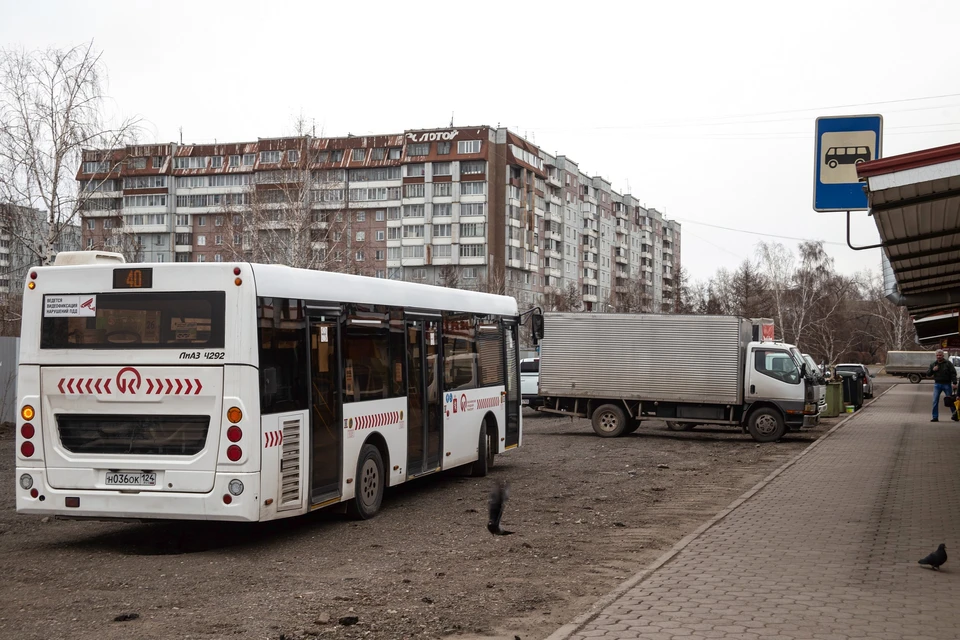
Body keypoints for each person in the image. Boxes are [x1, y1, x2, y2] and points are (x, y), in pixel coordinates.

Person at [927, 349, 958, 422]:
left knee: (950, 400)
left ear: (943, 356)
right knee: (935, 401)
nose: (939, 357)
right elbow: (928, 374)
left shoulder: (948, 363)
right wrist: (933, 370)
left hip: (947, 384)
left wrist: (954, 383)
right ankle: (935, 417)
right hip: (937, 384)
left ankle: (955, 415)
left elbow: (953, 373)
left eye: (940, 355)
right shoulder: (933, 364)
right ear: (936, 356)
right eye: (937, 355)